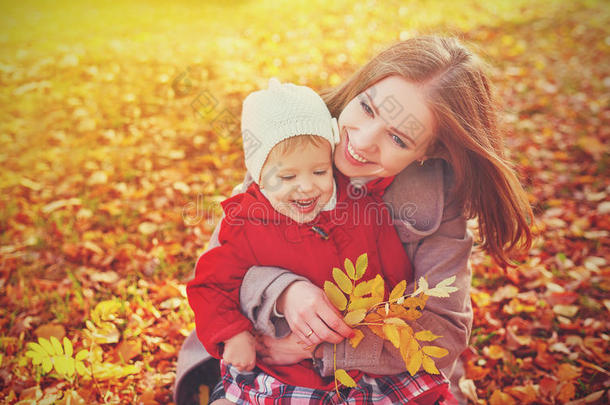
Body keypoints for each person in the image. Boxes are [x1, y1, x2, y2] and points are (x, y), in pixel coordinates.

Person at [175, 35, 532, 405]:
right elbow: (221, 266)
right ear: (360, 86)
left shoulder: (439, 202)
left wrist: (321, 350)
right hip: (266, 359)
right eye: (367, 108)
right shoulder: (294, 139)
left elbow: (443, 327)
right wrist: (283, 292)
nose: (362, 141)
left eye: (398, 138)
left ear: (430, 151)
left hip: (383, 374)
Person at [187, 78, 454, 404]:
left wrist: (376, 319)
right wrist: (233, 334)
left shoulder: (362, 209)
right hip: (285, 370)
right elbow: (211, 285)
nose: (306, 187)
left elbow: (398, 282)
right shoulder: (245, 222)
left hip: (361, 364)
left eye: (319, 172)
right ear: (258, 173)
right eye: (287, 177)